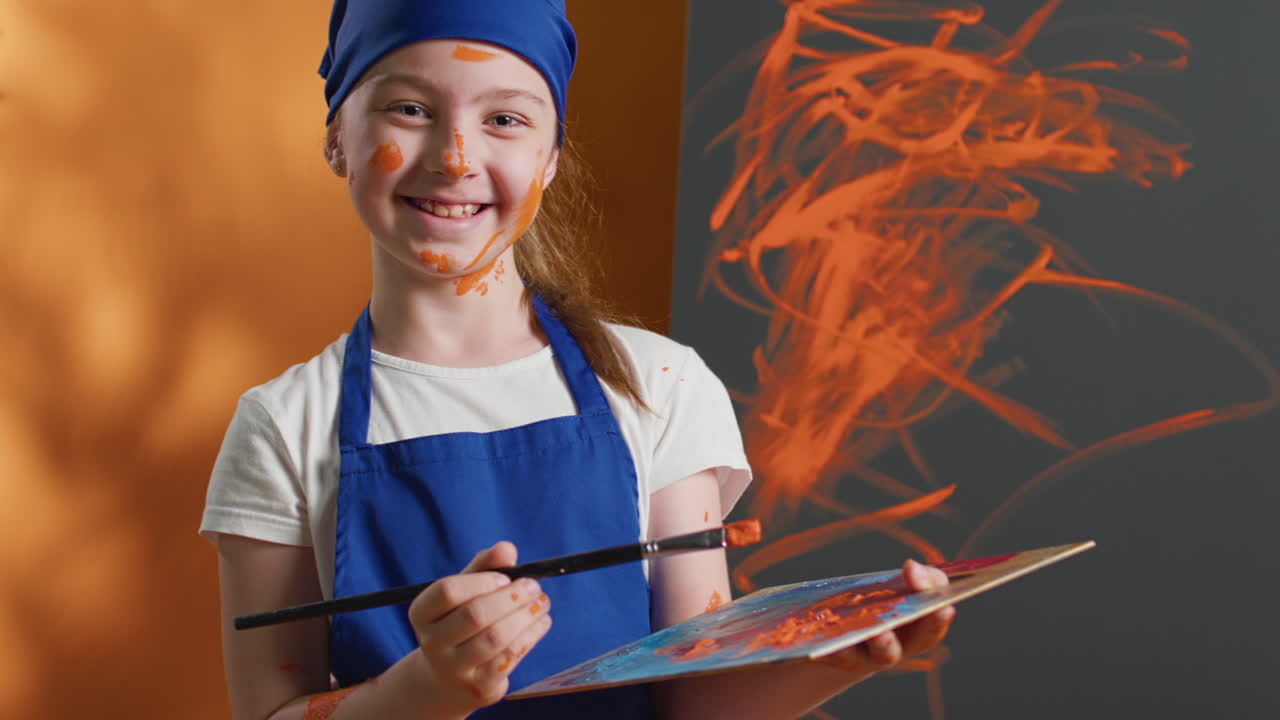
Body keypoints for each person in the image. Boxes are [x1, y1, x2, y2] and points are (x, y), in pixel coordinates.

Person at [201, 1, 956, 718]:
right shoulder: (282, 426)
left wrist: (830, 661)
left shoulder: (662, 385)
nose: (456, 156)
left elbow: (691, 699)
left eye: (504, 119)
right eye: (409, 110)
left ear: (552, 156)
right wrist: (425, 691)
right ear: (338, 137)